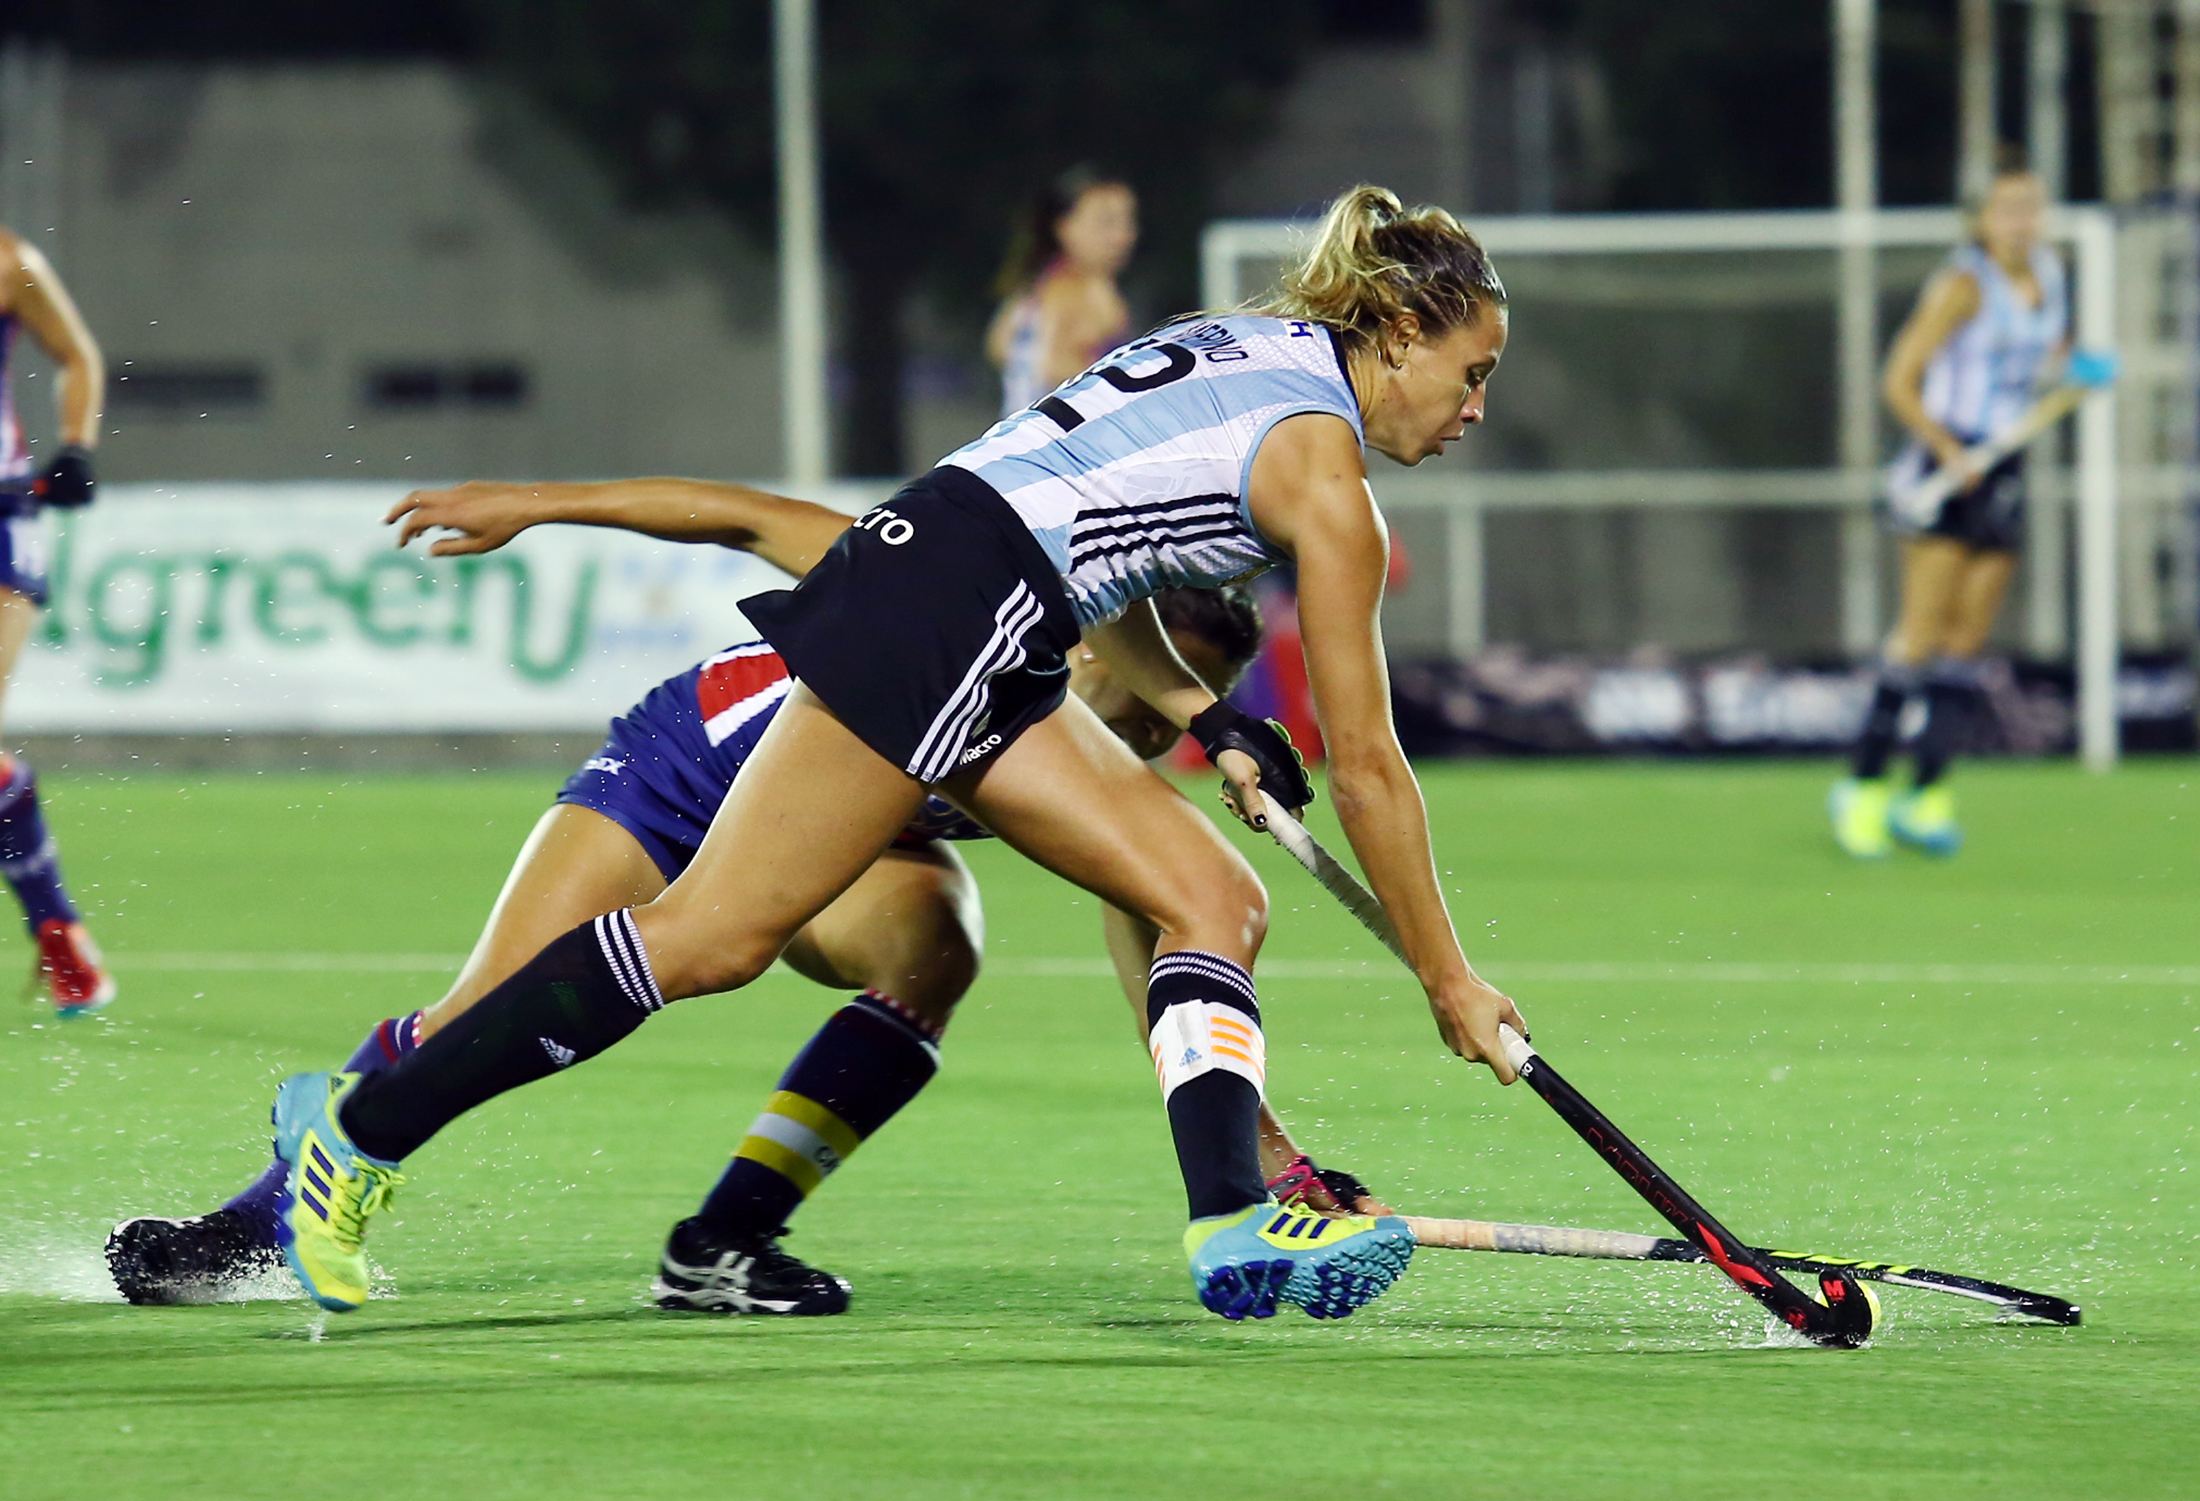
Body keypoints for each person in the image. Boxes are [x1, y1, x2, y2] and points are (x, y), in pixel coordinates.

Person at [267, 183, 1523, 1327]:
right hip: (954, 613)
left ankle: (1231, 1214)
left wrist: (1205, 716)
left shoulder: (1239, 345)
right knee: (708, 938)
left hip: (979, 596)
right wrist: (1446, 979)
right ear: (1400, 334)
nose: (1474, 408)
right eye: (1470, 374)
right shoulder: (1328, 481)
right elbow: (1366, 766)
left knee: (1207, 896)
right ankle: (360, 1128)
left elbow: (1090, 530)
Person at [107, 478, 1378, 1309]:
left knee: (935, 947)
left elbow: (1162, 939)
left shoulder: (1061, 736)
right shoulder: (965, 609)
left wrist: (1263, 1150)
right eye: (1139, 705)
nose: (1145, 747)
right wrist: (535, 507)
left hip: (850, 829)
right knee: (481, 1018)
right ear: (1098, 643)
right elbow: (732, 512)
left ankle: (716, 1249)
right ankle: (245, 1228)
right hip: (680, 770)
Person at [1830, 156, 2068, 859]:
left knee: (1967, 642)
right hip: (1945, 464)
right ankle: (1863, 787)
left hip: (2004, 467)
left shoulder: (2052, 276)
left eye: (2031, 207)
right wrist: (1948, 448)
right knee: (1921, 632)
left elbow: (2041, 361)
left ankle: (1926, 793)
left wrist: (2073, 369)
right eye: (2008, 209)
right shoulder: (1964, 285)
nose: (2022, 222)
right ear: (1981, 219)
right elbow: (1899, 380)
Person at [0, 224, 113, 1014]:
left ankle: (62, 938)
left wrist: (76, 444)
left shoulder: (8, 262)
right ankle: (60, 930)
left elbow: (78, 356)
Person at [986, 167, 1137, 417]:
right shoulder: (1085, 292)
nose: (1123, 236)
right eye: (1106, 222)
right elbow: (1050, 367)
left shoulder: (1032, 290)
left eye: (1128, 220)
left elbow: (999, 346)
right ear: (1065, 227)